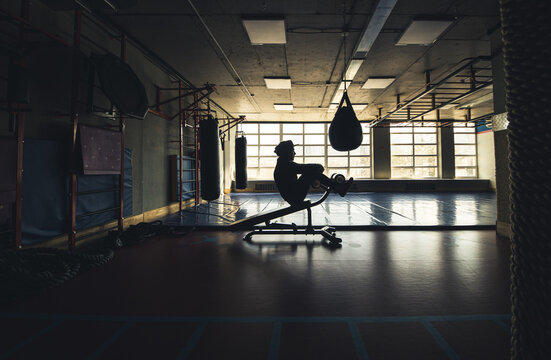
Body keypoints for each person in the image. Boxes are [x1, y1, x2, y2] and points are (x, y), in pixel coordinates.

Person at [273, 140, 353, 206]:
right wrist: (318, 167)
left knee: (310, 172)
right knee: (311, 172)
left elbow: (303, 168)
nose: (295, 153)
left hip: (293, 197)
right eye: (293, 151)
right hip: (295, 198)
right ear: (287, 152)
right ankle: (338, 188)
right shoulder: (286, 165)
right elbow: (305, 168)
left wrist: (316, 170)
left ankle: (337, 188)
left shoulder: (283, 164)